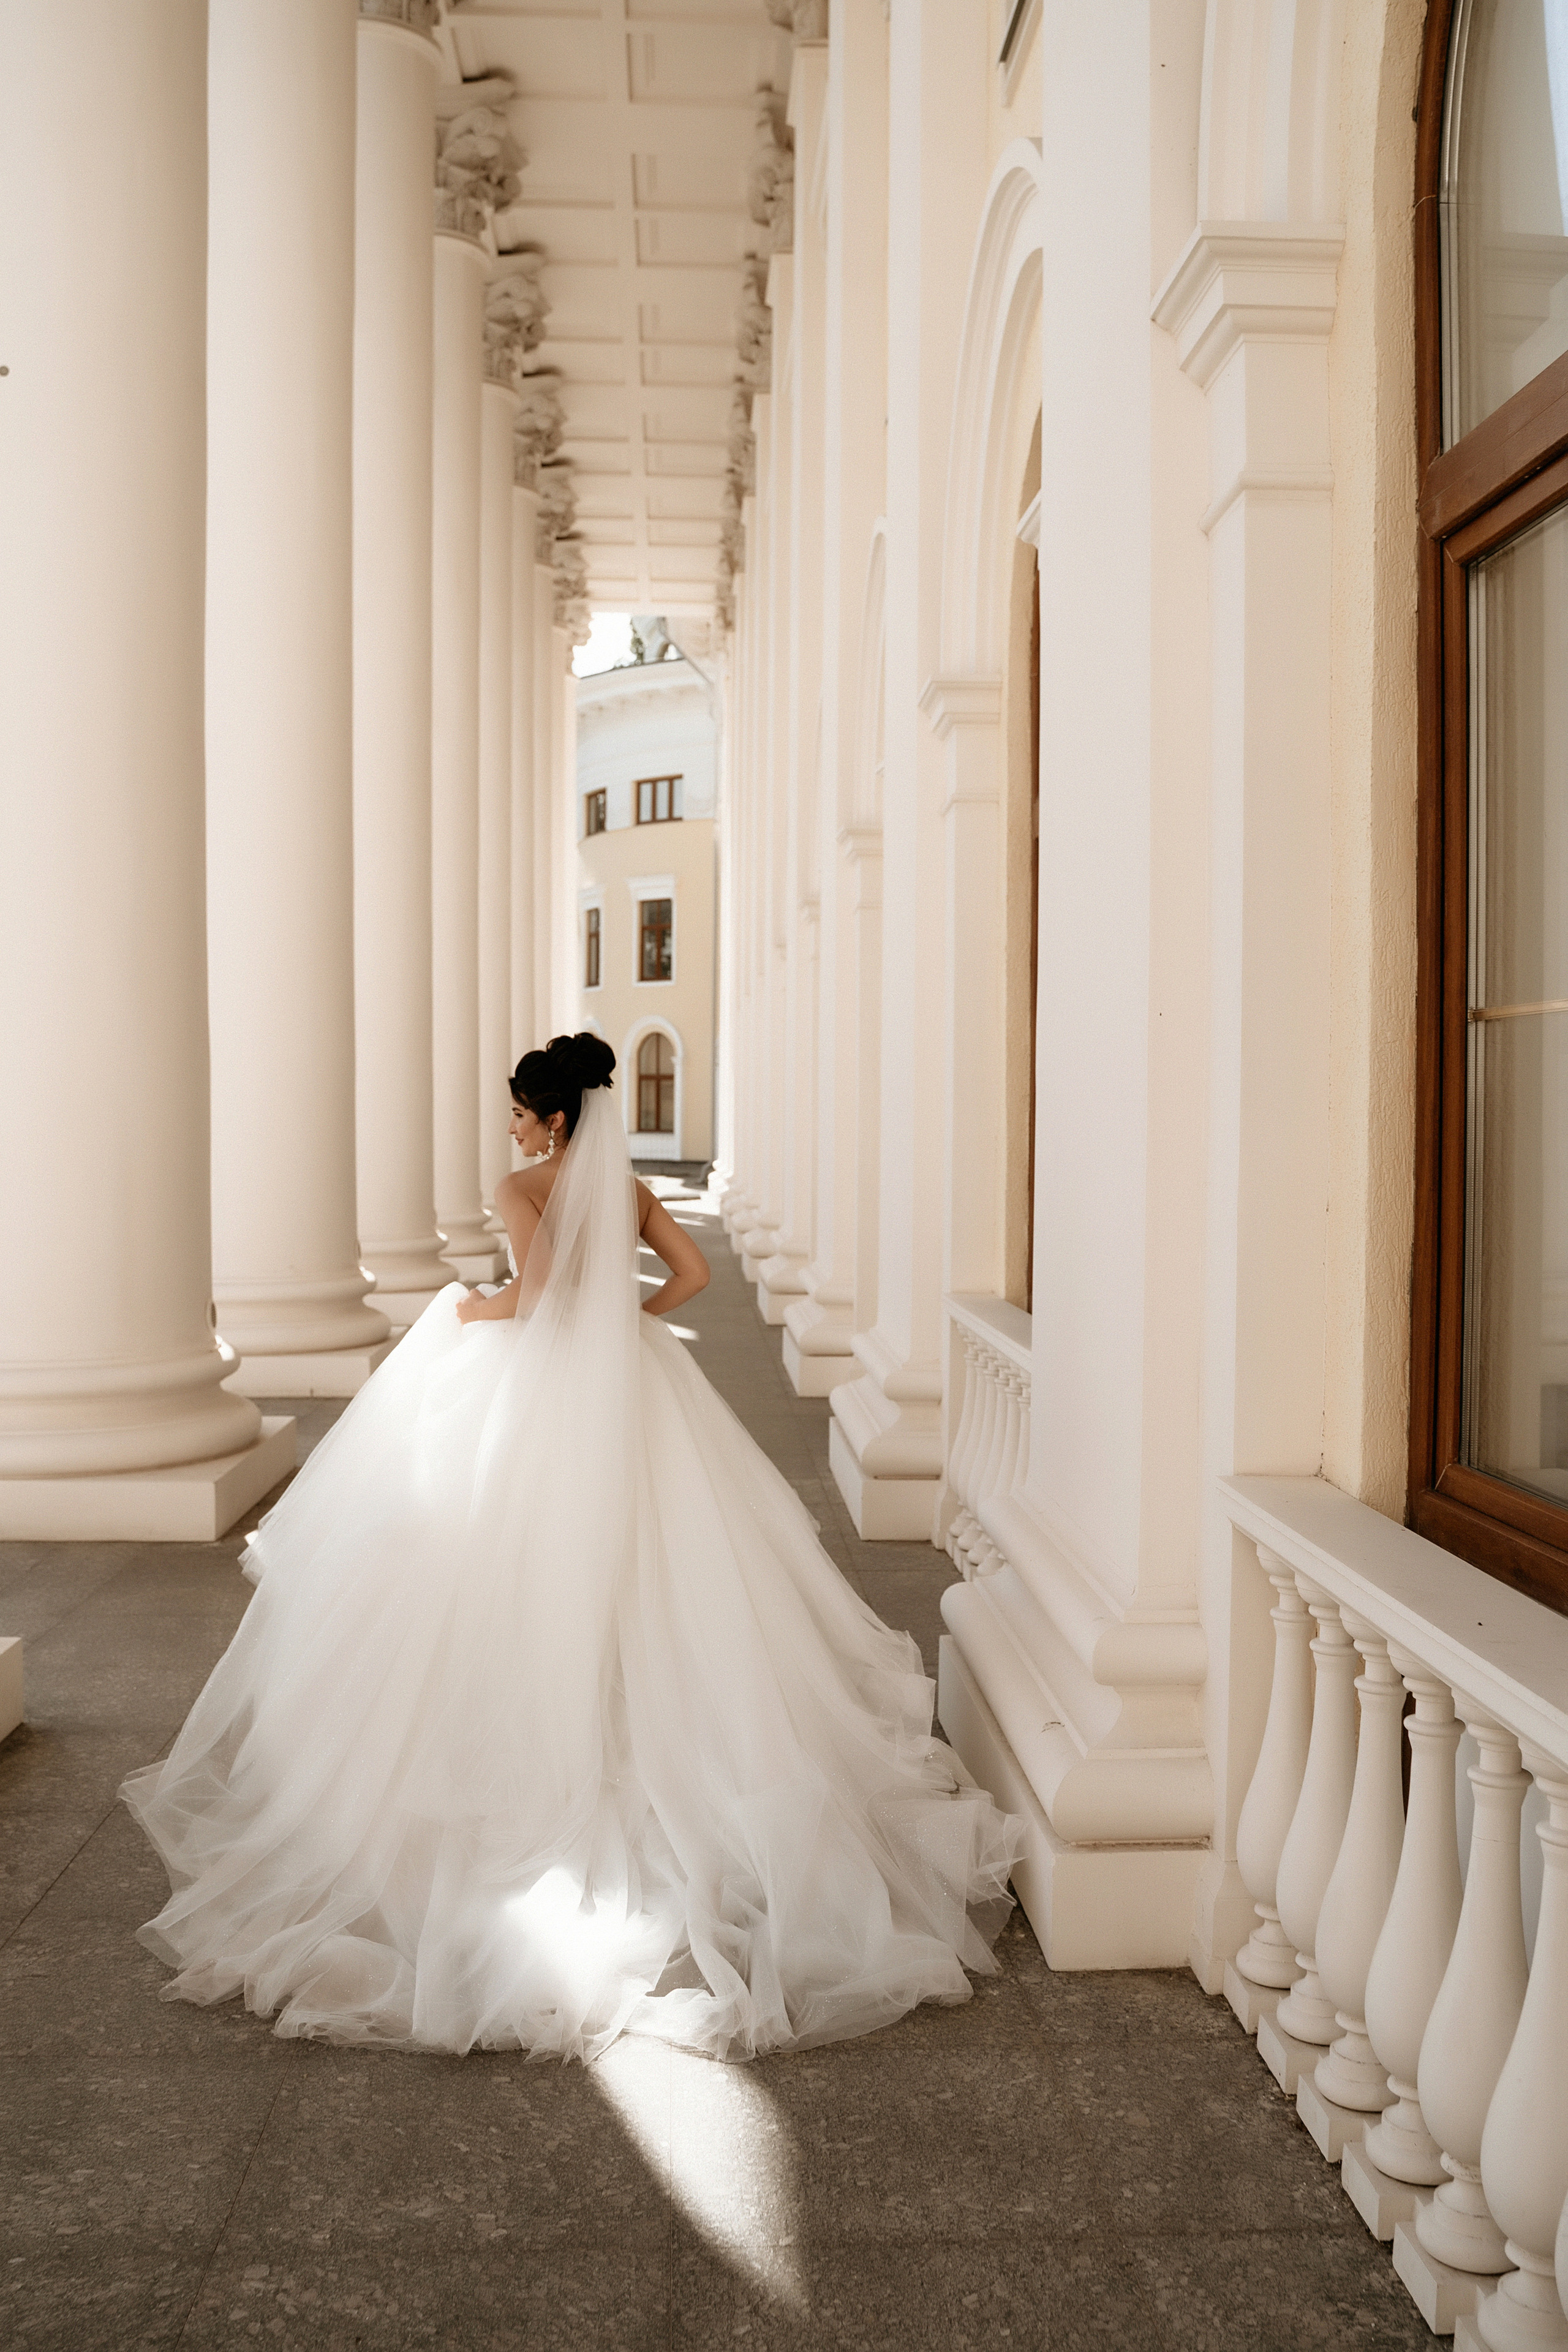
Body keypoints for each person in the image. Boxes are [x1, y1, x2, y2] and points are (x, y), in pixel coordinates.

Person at [122, 1034, 1020, 2061]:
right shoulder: (627, 1187)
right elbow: (689, 1277)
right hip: (631, 1383)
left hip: (542, 1393)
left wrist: (470, 1307)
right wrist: (623, 1315)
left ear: (551, 1119)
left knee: (513, 1564)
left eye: (516, 1110)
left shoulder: (523, 1188)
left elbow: (534, 1297)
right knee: (663, 1571)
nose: (508, 1126)